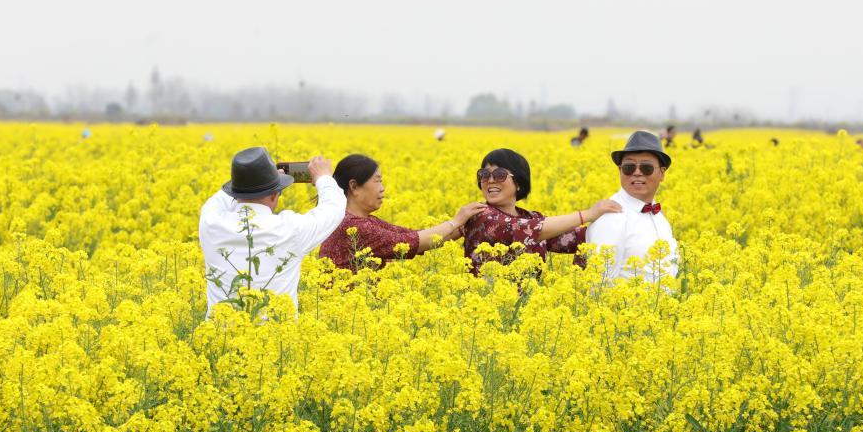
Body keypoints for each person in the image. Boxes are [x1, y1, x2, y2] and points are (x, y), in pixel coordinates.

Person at [199, 146, 346, 316]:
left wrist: (253, 178)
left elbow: (219, 199)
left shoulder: (210, 223)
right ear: (275, 195)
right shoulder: (290, 229)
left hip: (222, 340)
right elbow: (333, 209)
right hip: (277, 337)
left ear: (234, 192)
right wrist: (324, 178)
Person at [462, 148, 620, 275]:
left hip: (526, 310)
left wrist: (622, 220)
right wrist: (588, 214)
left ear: (518, 183)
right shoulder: (481, 214)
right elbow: (523, 228)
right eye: (484, 174)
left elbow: (580, 239)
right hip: (486, 309)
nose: (490, 180)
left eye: (499, 174)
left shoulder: (532, 218)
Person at [319, 154, 486, 272]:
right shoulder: (353, 227)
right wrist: (456, 221)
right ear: (354, 186)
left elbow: (415, 237)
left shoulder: (360, 221)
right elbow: (414, 242)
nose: (382, 188)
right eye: (377, 181)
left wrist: (464, 226)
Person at [587, 131, 679, 284]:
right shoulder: (612, 216)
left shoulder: (659, 216)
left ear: (662, 173)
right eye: (629, 167)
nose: (637, 173)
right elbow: (601, 285)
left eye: (646, 168)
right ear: (620, 171)